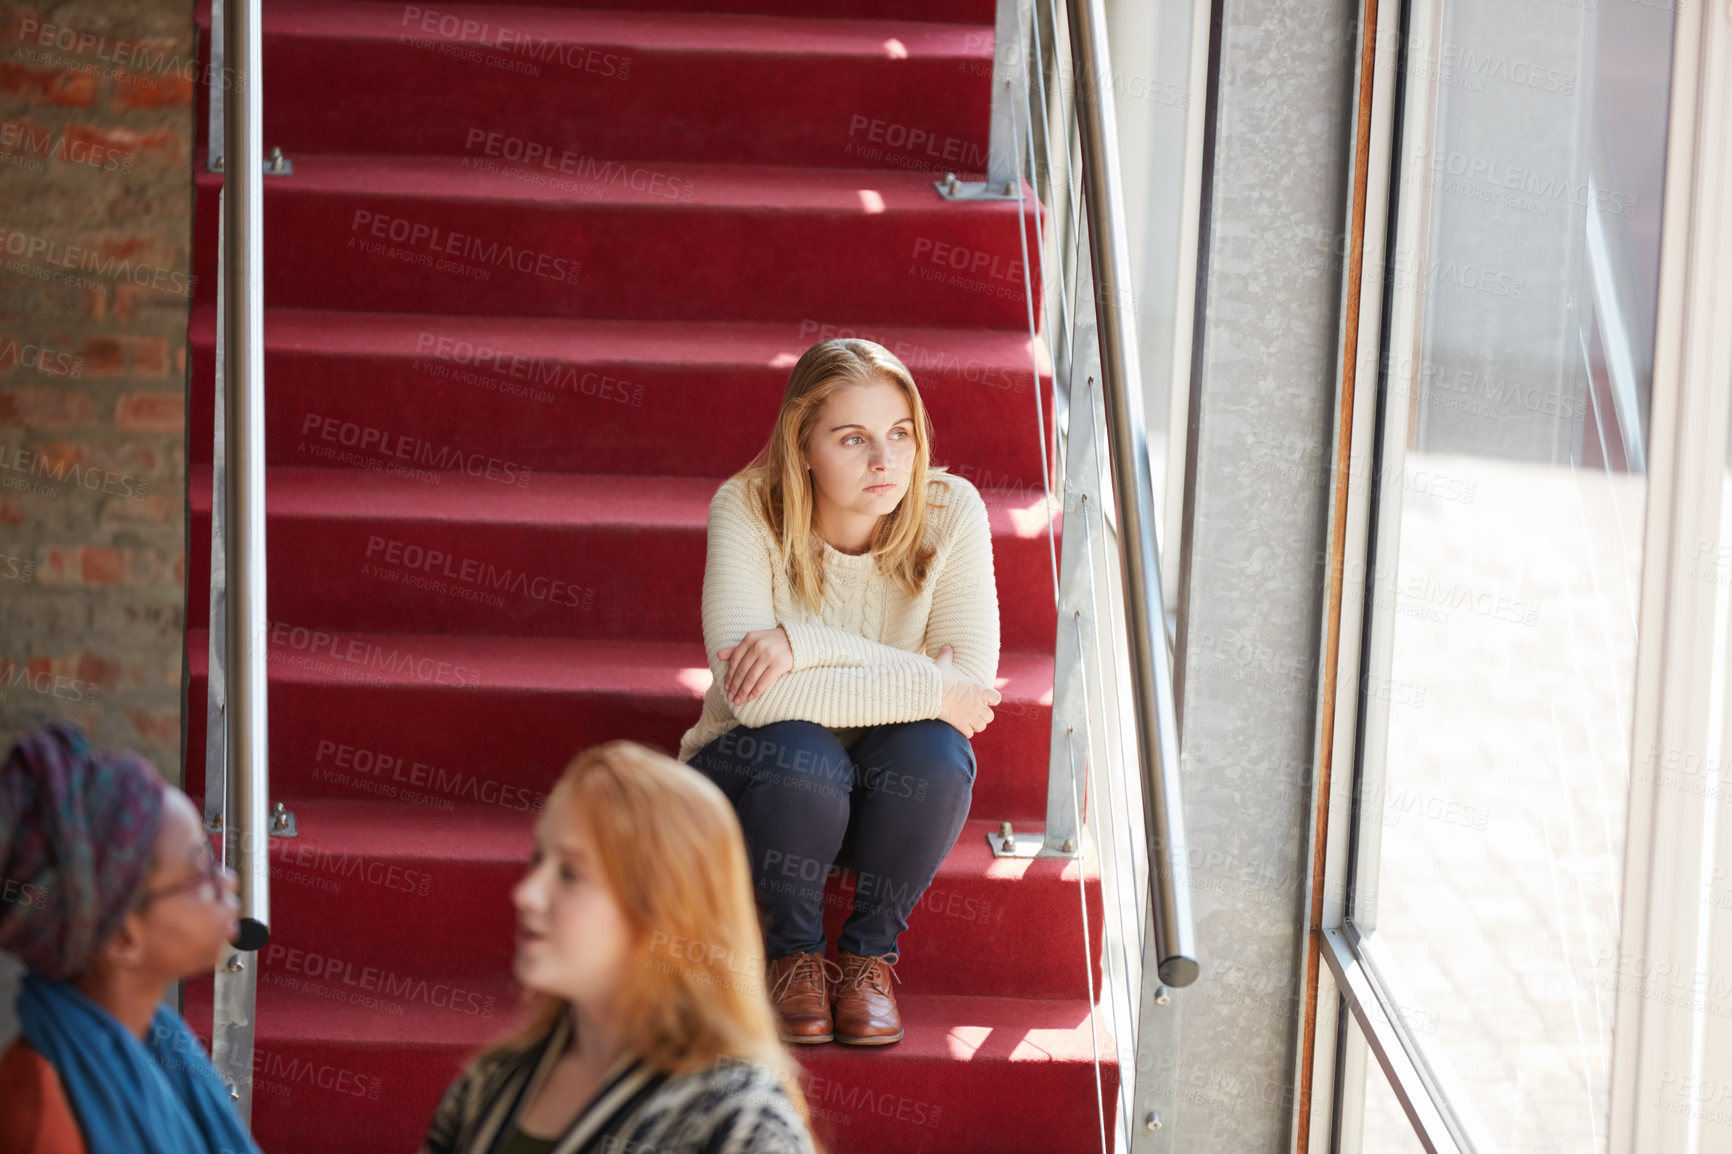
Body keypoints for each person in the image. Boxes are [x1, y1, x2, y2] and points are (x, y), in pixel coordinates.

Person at [676, 338, 1003, 1046]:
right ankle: (792, 956)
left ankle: (867, 961)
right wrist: (925, 682)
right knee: (801, 751)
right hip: (759, 783)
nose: (885, 461)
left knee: (938, 751)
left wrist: (806, 646)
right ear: (802, 447)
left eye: (899, 434)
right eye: (852, 439)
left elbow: (970, 697)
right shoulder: (747, 508)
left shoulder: (952, 511)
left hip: (878, 798)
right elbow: (753, 702)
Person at [420, 740, 821, 1154]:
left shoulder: (740, 1120)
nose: (527, 893)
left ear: (665, 908)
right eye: (538, 859)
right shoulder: (487, 1083)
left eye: (571, 874)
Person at [0, 719, 258, 1154]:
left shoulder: (157, 1041)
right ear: (123, 937)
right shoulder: (42, 1118)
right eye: (200, 871)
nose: (227, 881)